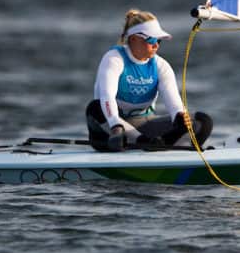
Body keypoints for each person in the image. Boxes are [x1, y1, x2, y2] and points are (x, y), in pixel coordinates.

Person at [86, 9, 212, 152]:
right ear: (133, 39)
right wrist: (115, 125)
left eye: (158, 40)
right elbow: (107, 97)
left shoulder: (160, 65)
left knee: (202, 122)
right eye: (151, 40)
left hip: (144, 125)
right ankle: (147, 143)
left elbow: (174, 103)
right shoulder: (113, 59)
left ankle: (159, 144)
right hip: (110, 128)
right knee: (94, 108)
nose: (156, 45)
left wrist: (180, 117)